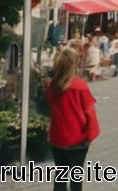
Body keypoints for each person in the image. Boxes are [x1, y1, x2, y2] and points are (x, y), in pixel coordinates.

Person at [45, 47, 101, 191]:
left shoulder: (52, 85)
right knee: (76, 180)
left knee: (60, 176)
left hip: (57, 136)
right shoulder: (79, 86)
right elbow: (90, 113)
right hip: (77, 138)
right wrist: (90, 135)